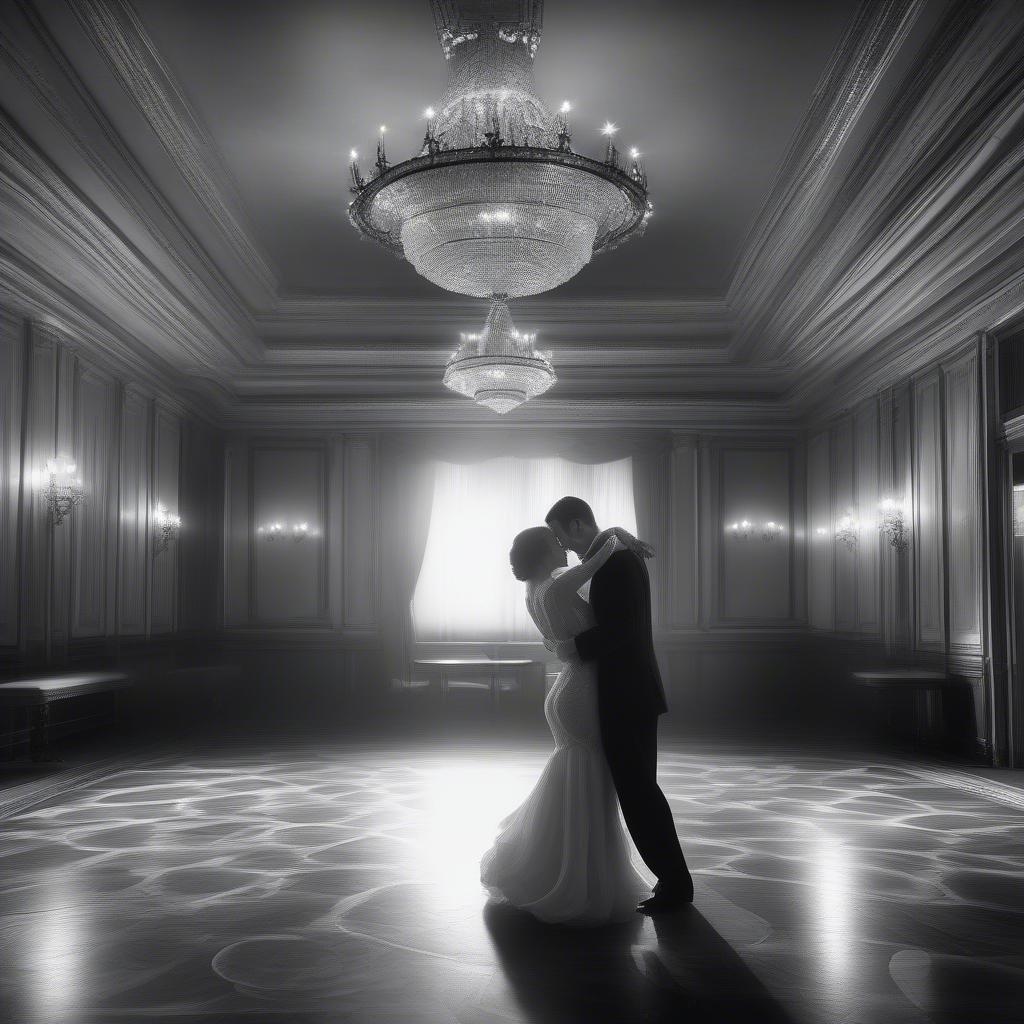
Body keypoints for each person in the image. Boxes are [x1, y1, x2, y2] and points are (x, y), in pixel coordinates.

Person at [480, 524, 652, 925]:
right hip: (582, 689)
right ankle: (579, 875)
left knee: (574, 773)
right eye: (556, 544)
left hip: (565, 688)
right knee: (587, 776)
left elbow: (554, 640)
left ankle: (560, 865)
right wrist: (616, 534)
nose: (564, 550)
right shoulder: (557, 586)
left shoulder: (531, 594)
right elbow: (598, 558)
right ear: (542, 553)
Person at [544, 496, 693, 914]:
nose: (565, 547)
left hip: (627, 693)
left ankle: (675, 882)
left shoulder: (617, 562)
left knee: (639, 791)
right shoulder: (614, 555)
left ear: (577, 524)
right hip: (630, 691)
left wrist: (571, 646)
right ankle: (673, 879)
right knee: (638, 789)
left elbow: (620, 631)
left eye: (562, 536)